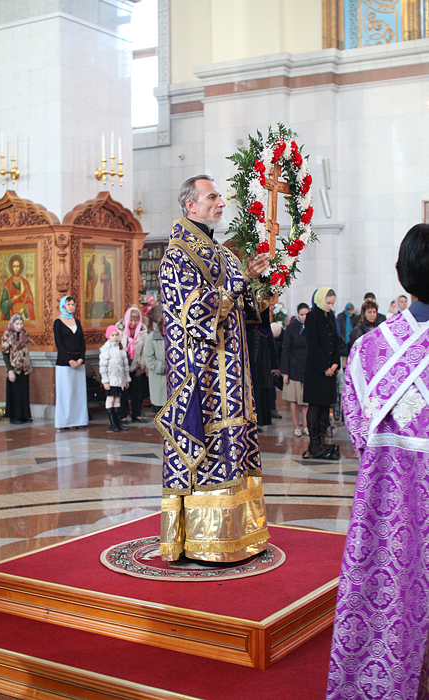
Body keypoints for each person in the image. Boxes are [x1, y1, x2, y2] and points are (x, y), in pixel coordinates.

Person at [326, 223, 429, 699]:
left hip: (388, 507)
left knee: (391, 596)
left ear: (400, 273)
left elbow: (356, 429)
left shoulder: (367, 348)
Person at [158, 174, 272, 562]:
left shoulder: (222, 253)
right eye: (212, 197)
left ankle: (241, 534)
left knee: (235, 446)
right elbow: (195, 314)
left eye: (220, 196)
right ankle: (202, 541)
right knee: (207, 451)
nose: (221, 202)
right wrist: (242, 278)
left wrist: (261, 289)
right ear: (191, 205)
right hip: (202, 378)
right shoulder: (177, 256)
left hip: (234, 375)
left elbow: (242, 309)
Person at [302, 288, 341, 459]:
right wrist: (325, 367)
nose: (330, 306)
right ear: (320, 300)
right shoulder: (312, 317)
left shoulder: (331, 316)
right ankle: (313, 442)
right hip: (316, 371)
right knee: (315, 405)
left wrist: (335, 364)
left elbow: (336, 341)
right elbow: (313, 345)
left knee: (326, 405)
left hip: (330, 370)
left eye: (332, 303)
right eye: (328, 303)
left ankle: (322, 440)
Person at [53, 295, 88, 430]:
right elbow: (59, 343)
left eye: (73, 304)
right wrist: (69, 360)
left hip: (78, 363)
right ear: (63, 306)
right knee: (66, 393)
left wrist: (81, 358)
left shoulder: (77, 322)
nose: (71, 306)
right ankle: (65, 422)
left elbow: (82, 342)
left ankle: (78, 420)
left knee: (78, 393)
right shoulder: (58, 322)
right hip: (65, 363)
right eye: (68, 304)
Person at [281, 303, 309, 437]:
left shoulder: (312, 327)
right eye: (302, 314)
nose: (304, 317)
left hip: (307, 367)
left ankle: (306, 426)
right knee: (294, 400)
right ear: (298, 314)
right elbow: (286, 350)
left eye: (306, 314)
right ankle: (296, 427)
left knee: (306, 401)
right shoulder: (291, 328)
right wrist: (285, 372)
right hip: (294, 368)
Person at [117, 306, 148, 423]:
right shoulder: (119, 329)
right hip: (122, 366)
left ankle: (136, 414)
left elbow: (145, 349)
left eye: (136, 320)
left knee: (137, 391)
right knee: (123, 392)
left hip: (136, 365)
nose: (133, 323)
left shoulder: (143, 330)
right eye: (131, 320)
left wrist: (141, 366)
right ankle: (123, 415)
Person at [1, 313, 33, 424]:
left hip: (24, 367)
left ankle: (25, 415)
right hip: (14, 367)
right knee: (15, 393)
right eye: (17, 324)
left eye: (21, 324)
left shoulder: (25, 334)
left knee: (24, 392)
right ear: (12, 324)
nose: (19, 326)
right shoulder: (7, 335)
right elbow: (5, 354)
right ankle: (15, 416)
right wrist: (10, 370)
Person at [99, 325, 129, 432]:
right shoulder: (105, 349)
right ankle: (111, 422)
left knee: (117, 399)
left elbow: (125, 365)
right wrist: (105, 381)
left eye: (116, 335)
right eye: (112, 335)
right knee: (110, 399)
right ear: (108, 336)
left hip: (120, 379)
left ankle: (118, 422)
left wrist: (127, 379)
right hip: (110, 379)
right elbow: (103, 367)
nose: (115, 337)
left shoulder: (121, 349)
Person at [143, 305, 166, 413]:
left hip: (172, 380)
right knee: (160, 410)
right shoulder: (152, 337)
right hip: (159, 378)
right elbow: (149, 358)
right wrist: (163, 367)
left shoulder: (173, 337)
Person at [0, 254, 35, 321]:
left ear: (20, 267)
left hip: (23, 316)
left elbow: (30, 302)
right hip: (11, 315)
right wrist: (12, 299)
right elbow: (2, 306)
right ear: (11, 268)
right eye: (14, 266)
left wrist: (24, 309)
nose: (16, 269)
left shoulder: (25, 283)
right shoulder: (8, 284)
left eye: (17, 266)